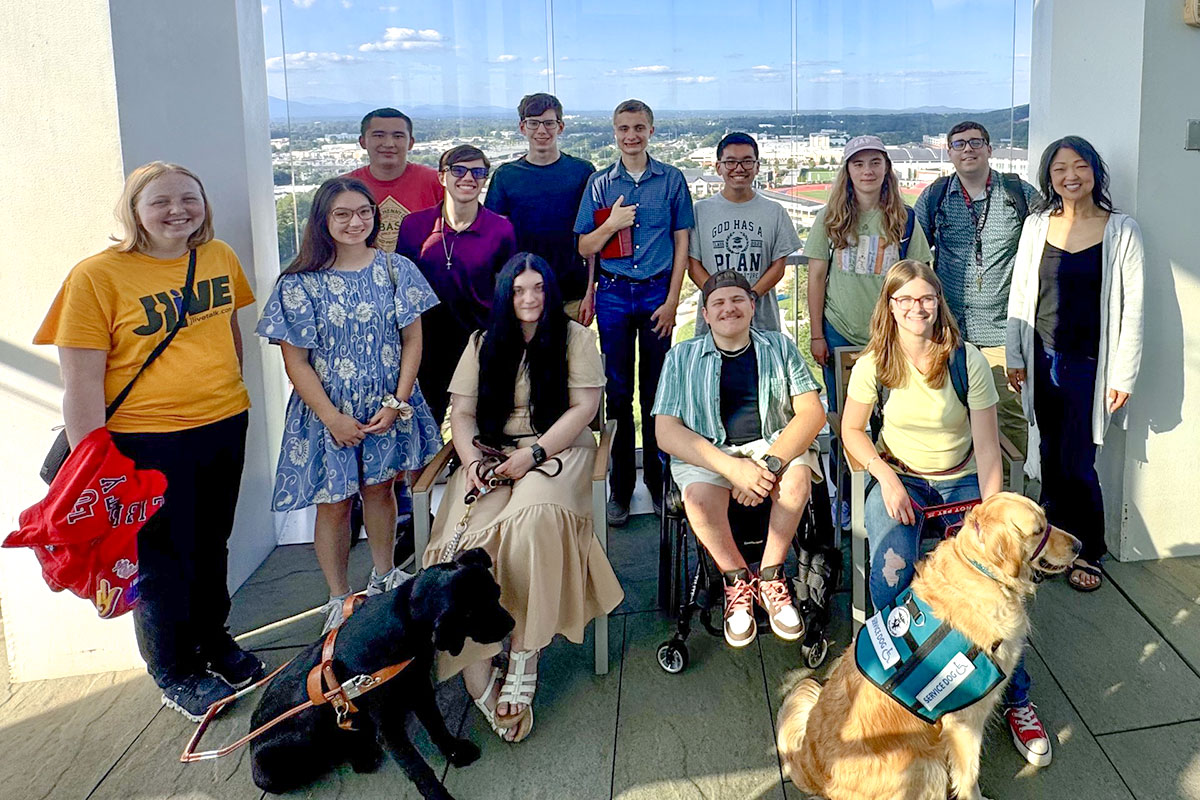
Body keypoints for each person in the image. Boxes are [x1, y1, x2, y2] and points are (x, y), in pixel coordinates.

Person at [34, 162, 264, 720]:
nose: (178, 210)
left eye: (190, 198)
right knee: (158, 558)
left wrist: (222, 394)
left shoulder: (217, 257)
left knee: (212, 543)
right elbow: (81, 382)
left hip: (222, 424)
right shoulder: (96, 277)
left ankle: (213, 639)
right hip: (144, 440)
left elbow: (227, 334)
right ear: (133, 210)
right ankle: (174, 670)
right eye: (161, 201)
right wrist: (95, 465)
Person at [841, 259, 1052, 768]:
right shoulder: (875, 363)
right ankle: (906, 686)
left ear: (939, 304)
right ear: (889, 307)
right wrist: (885, 477)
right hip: (903, 479)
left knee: (995, 588)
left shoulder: (967, 361)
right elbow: (852, 430)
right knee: (891, 578)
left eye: (926, 298)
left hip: (961, 481)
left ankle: (1016, 697)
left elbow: (986, 450)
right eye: (905, 300)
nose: (917, 308)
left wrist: (987, 519)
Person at [422, 253, 624, 743]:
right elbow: (462, 414)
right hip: (492, 457)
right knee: (470, 541)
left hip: (556, 452)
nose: (529, 299)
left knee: (532, 521)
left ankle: (525, 650)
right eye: (518, 290)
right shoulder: (482, 342)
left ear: (550, 291)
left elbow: (585, 409)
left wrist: (531, 455)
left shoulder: (576, 337)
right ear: (504, 295)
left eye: (538, 288)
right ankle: (479, 664)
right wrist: (472, 464)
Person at [256, 176, 443, 634]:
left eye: (364, 212)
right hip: (326, 411)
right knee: (334, 502)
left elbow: (413, 339)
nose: (355, 221)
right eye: (342, 214)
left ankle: (384, 575)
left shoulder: (396, 269)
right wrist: (332, 417)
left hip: (386, 405)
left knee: (382, 489)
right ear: (323, 219)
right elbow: (295, 361)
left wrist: (398, 401)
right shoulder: (298, 283)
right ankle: (338, 597)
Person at [654, 270, 825, 648]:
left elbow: (812, 413)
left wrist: (769, 466)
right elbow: (666, 432)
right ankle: (735, 581)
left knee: (797, 483)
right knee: (698, 499)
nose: (728, 309)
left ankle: (770, 575)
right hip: (710, 452)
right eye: (718, 303)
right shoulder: (681, 357)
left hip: (771, 447)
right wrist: (731, 468)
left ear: (752, 305)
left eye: (737, 300)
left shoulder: (779, 346)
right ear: (705, 314)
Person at [1007, 136, 1144, 594]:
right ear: (1049, 178)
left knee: (1081, 460)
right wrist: (1015, 356)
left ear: (1095, 173)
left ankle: (1091, 548)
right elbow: (1022, 296)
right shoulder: (1036, 225)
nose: (1071, 176)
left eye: (1080, 166)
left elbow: (1134, 309)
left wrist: (1124, 373)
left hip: (1091, 363)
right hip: (1042, 354)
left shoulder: (1122, 229)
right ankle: (1050, 545)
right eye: (1060, 168)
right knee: (1048, 452)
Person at [574, 99, 695, 526]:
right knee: (618, 395)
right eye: (624, 128)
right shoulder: (600, 183)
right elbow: (586, 247)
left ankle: (662, 484)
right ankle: (621, 488)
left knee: (660, 394)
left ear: (651, 130)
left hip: (657, 294)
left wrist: (672, 299)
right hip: (612, 294)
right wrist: (612, 225)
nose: (631, 135)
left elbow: (683, 243)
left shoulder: (673, 180)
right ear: (614, 132)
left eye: (639, 127)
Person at [805, 135, 933, 529]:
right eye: (858, 164)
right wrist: (816, 334)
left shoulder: (905, 219)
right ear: (847, 171)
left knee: (895, 419)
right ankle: (847, 497)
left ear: (886, 169)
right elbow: (816, 276)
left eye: (875, 162)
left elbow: (921, 275)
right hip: (841, 333)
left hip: (893, 338)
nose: (867, 171)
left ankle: (892, 494)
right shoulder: (830, 218)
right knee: (847, 422)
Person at [915, 121, 1040, 457]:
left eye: (975, 142)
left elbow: (1047, 247)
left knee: (1008, 415)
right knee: (950, 411)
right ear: (949, 152)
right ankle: (969, 492)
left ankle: (1013, 496)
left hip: (1003, 330)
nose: (967, 149)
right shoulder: (936, 195)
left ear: (989, 148)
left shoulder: (1020, 194)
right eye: (958, 144)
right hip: (950, 329)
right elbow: (916, 253)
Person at [398, 145, 516, 425]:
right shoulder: (414, 226)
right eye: (458, 170)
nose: (468, 178)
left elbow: (506, 291)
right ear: (442, 177)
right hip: (427, 344)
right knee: (426, 423)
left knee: (482, 422)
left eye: (478, 172)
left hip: (479, 341)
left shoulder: (501, 228)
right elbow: (401, 289)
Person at [484, 93, 596, 321]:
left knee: (573, 355)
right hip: (523, 294)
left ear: (560, 127)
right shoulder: (506, 176)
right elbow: (494, 238)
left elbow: (593, 235)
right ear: (522, 127)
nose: (541, 131)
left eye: (548, 123)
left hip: (573, 291)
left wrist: (590, 291)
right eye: (533, 123)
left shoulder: (582, 172)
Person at [688, 132, 800, 335]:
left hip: (763, 322)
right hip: (714, 321)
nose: (739, 169)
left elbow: (778, 267)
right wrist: (721, 300)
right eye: (730, 162)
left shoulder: (775, 211)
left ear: (757, 167)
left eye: (747, 162)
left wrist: (751, 298)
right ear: (718, 167)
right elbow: (693, 266)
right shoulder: (699, 211)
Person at [345, 107, 443, 253]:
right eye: (378, 135)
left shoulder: (438, 182)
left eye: (398, 136)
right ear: (363, 141)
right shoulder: (344, 188)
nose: (389, 144)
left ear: (411, 143)